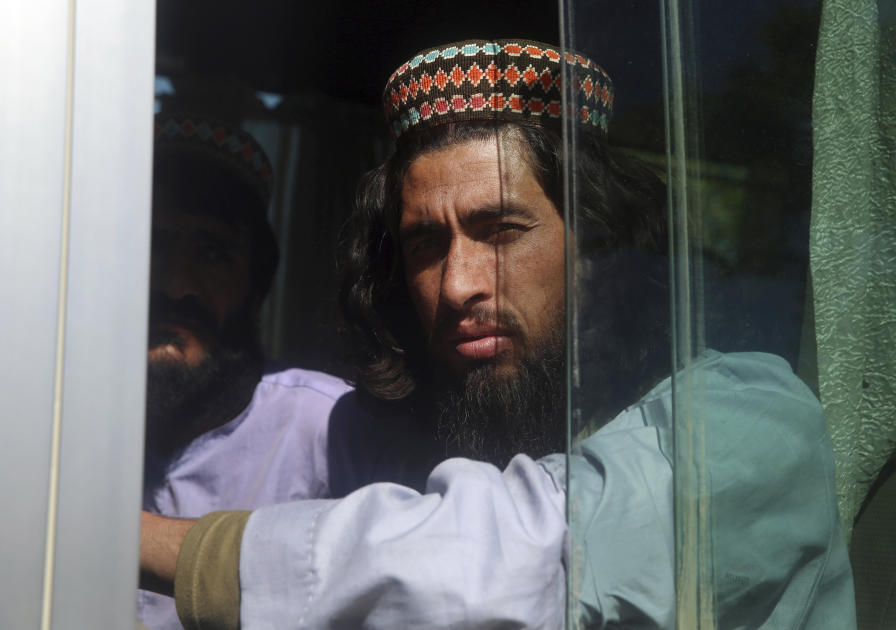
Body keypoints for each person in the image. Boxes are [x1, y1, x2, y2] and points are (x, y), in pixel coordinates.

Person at [140, 42, 855, 629]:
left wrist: (127, 538)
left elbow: (511, 565)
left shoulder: (751, 420)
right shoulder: (445, 442)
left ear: (601, 248)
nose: (457, 285)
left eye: (502, 231)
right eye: (425, 244)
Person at [141, 114, 401, 630]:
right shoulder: (63, 423)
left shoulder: (331, 428)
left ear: (257, 290)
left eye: (212, 253)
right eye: (153, 244)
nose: (176, 286)